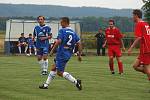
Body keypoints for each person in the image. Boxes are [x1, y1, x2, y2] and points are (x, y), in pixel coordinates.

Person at [39, 17, 82, 90]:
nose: (60, 24)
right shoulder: (73, 33)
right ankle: (46, 85)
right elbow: (79, 43)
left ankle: (76, 81)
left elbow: (58, 41)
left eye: (61, 22)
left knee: (59, 72)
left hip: (62, 54)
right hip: (68, 54)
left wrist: (52, 50)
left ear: (65, 22)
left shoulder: (62, 31)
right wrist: (79, 55)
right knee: (53, 68)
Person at [128, 9, 150, 81]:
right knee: (135, 66)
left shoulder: (139, 24)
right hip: (145, 49)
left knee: (146, 68)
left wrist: (131, 48)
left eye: (133, 16)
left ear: (136, 15)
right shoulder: (146, 24)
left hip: (145, 49)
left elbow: (139, 38)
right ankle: (147, 72)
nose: (132, 17)